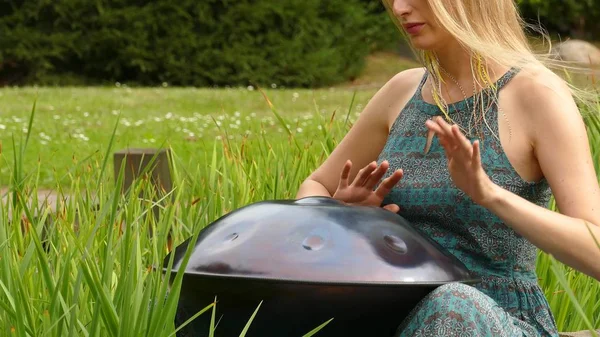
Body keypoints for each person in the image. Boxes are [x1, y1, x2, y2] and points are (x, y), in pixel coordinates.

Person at [295, 0, 600, 336]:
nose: (399, 9)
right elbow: (316, 186)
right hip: (392, 309)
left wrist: (489, 195)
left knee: (452, 306)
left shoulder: (536, 93)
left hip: (492, 318)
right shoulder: (401, 91)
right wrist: (342, 217)